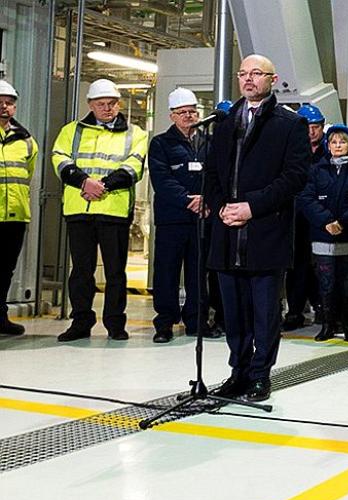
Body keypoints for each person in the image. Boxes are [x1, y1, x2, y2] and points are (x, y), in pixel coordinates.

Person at [204, 54, 310, 402]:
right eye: (243, 74)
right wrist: (222, 206)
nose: (248, 79)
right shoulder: (225, 123)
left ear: (272, 79)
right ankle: (238, 371)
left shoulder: (289, 124)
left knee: (265, 313)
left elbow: (295, 177)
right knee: (233, 311)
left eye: (256, 73)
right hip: (227, 231)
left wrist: (252, 207)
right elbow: (212, 172)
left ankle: (261, 375)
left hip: (266, 231)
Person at [52, 79, 148, 342]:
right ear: (90, 105)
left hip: (114, 211)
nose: (107, 108)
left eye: (111, 103)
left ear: (119, 104)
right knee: (81, 271)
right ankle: (81, 322)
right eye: (101, 104)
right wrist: (84, 182)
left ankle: (115, 323)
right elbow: (59, 159)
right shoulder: (71, 131)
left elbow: (134, 166)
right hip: (79, 210)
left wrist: (100, 185)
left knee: (115, 272)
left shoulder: (135, 133)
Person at [148, 88, 223, 343]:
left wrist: (207, 199)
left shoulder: (208, 143)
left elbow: (216, 176)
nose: (188, 116)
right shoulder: (161, 144)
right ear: (172, 116)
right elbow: (162, 180)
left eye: (192, 111)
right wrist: (188, 200)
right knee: (166, 271)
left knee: (198, 272)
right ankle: (164, 323)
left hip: (201, 218)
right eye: (182, 112)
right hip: (172, 218)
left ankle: (197, 321)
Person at [299, 123, 348, 342]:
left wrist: (342, 222)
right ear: (328, 145)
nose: (338, 145)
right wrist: (326, 222)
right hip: (323, 237)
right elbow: (306, 198)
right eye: (334, 142)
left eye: (343, 142)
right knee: (326, 284)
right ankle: (327, 325)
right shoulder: (316, 170)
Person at [282, 103, 326, 331]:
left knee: (322, 265)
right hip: (296, 216)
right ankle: (295, 311)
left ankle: (323, 307)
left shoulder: (330, 152)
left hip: (321, 216)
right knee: (296, 265)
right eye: (308, 126)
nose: (311, 131)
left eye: (316, 126)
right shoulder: (290, 151)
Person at [0, 80, 38, 336]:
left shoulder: (26, 141)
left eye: (10, 103)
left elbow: (28, 175)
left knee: (5, 270)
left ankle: (0, 317)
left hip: (15, 215)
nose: (5, 107)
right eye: (0, 102)